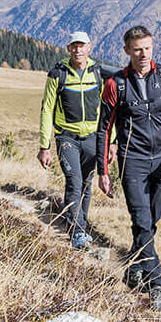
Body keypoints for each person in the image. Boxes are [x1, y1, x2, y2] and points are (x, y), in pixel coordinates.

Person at [99, 24, 161, 309]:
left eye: (147, 48)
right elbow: (103, 129)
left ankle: (133, 270)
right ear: (127, 50)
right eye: (137, 49)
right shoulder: (115, 84)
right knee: (142, 221)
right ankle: (156, 284)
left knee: (150, 222)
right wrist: (103, 172)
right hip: (133, 162)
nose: (143, 54)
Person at [36, 30, 104, 249]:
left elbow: (108, 110)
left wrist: (110, 141)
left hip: (93, 138)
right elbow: (47, 109)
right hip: (67, 138)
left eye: (81, 45)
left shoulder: (98, 73)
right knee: (74, 181)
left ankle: (79, 227)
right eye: (74, 46)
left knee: (86, 184)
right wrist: (44, 146)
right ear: (68, 49)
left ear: (89, 47)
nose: (78, 50)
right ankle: (77, 232)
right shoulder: (58, 73)